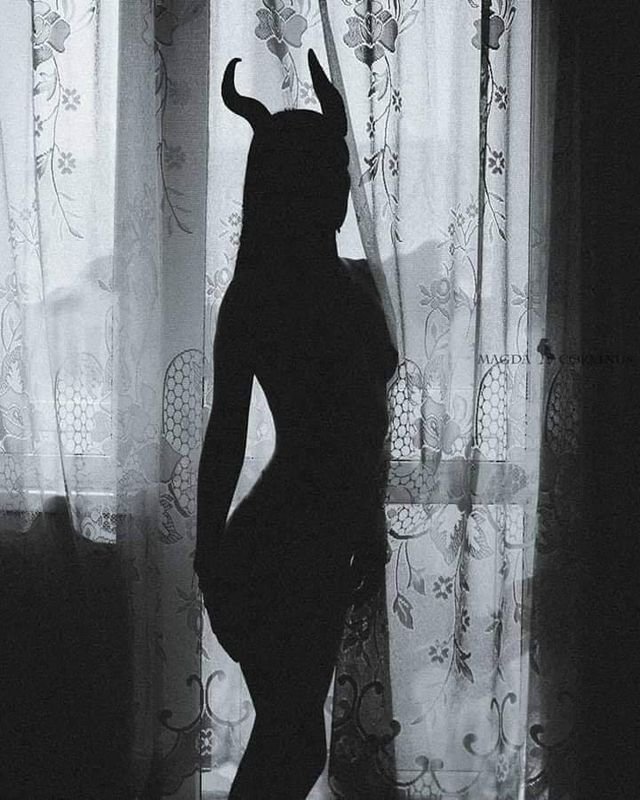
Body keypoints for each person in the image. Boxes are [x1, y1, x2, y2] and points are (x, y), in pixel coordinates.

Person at [195, 49, 398, 799]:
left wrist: (365, 525)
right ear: (293, 188)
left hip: (309, 543)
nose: (340, 188)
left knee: (293, 739)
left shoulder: (336, 285)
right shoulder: (265, 297)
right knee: (295, 740)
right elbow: (226, 436)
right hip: (286, 548)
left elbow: (363, 429)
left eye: (341, 173)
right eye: (325, 175)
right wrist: (207, 557)